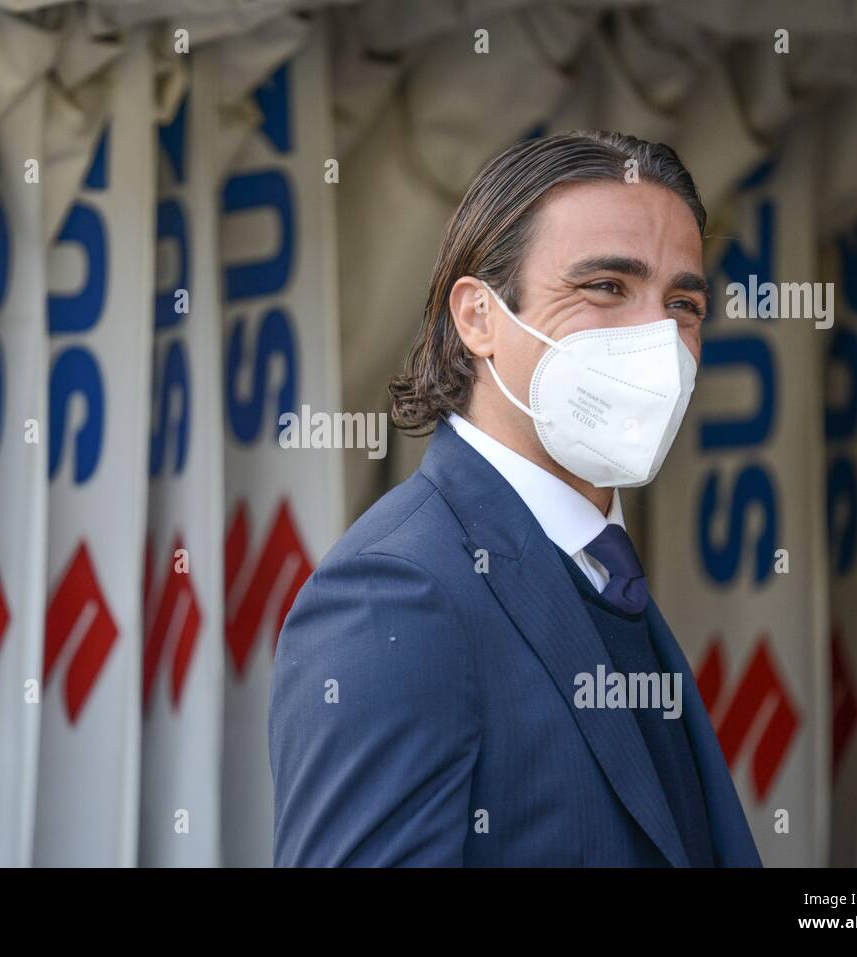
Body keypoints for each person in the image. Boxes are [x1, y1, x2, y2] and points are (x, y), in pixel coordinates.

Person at [268, 131, 761, 867]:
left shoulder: (599, 566)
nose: (658, 335)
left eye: (683, 302)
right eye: (606, 287)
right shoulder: (396, 594)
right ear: (479, 318)